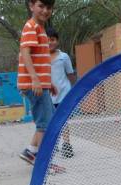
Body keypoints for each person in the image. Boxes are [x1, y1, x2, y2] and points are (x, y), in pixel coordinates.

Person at [18, 0, 56, 165]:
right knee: (47, 125)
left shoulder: (40, 29)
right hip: (34, 85)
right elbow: (25, 54)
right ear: (31, 6)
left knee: (44, 123)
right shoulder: (31, 27)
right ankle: (44, 163)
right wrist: (35, 79)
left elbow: (40, 60)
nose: (45, 10)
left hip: (40, 84)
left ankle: (31, 152)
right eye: (41, 6)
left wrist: (49, 82)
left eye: (48, 7)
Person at [46, 26, 76, 158]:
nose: (49, 42)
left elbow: (70, 74)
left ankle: (67, 145)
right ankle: (53, 145)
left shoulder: (64, 57)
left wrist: (75, 90)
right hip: (48, 97)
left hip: (64, 93)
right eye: (46, 40)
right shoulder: (41, 59)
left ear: (57, 41)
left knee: (63, 121)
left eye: (52, 39)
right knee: (50, 122)